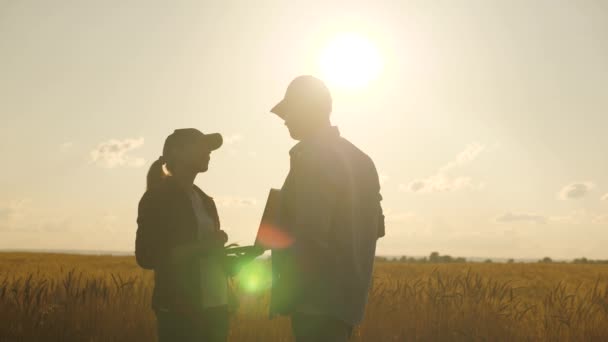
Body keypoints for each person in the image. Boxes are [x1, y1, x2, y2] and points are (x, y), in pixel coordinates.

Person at [268, 75, 386, 341]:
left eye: (289, 112)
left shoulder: (313, 156)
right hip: (347, 302)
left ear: (306, 109)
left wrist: (286, 284)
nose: (285, 120)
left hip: (315, 302)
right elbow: (377, 228)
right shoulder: (361, 160)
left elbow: (310, 234)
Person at [135, 128, 231, 342]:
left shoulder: (205, 200)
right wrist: (204, 247)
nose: (209, 152)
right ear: (178, 153)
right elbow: (147, 256)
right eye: (202, 146)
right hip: (180, 311)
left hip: (217, 308)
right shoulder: (157, 198)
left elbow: (209, 256)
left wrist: (233, 260)